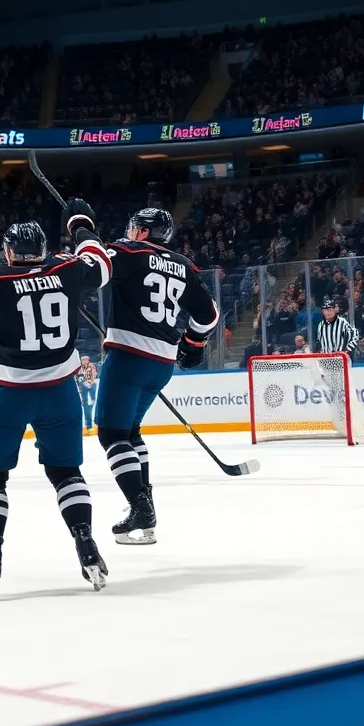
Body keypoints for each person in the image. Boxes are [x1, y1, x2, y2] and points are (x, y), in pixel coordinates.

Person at [0, 200, 113, 599]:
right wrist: (81, 223)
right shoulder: (66, 269)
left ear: (10, 252)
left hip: (7, 395)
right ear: (45, 249)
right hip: (60, 394)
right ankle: (87, 547)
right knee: (67, 474)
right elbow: (100, 263)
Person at [92, 208, 219, 546]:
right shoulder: (184, 265)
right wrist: (193, 343)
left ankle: (139, 507)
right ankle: (144, 506)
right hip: (162, 363)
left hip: (128, 357)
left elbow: (91, 267)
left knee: (112, 435)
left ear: (145, 232)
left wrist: (82, 230)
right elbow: (209, 314)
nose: (131, 232)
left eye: (136, 228)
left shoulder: (126, 252)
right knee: (131, 431)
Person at [75, 354, 98, 434]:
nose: (84, 361)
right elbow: (78, 379)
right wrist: (83, 384)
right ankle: (88, 425)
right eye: (82, 360)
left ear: (88, 360)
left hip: (91, 387)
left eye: (85, 360)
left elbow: (93, 376)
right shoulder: (79, 368)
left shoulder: (91, 367)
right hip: (83, 388)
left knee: (91, 405)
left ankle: (90, 424)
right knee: (85, 406)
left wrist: (89, 382)